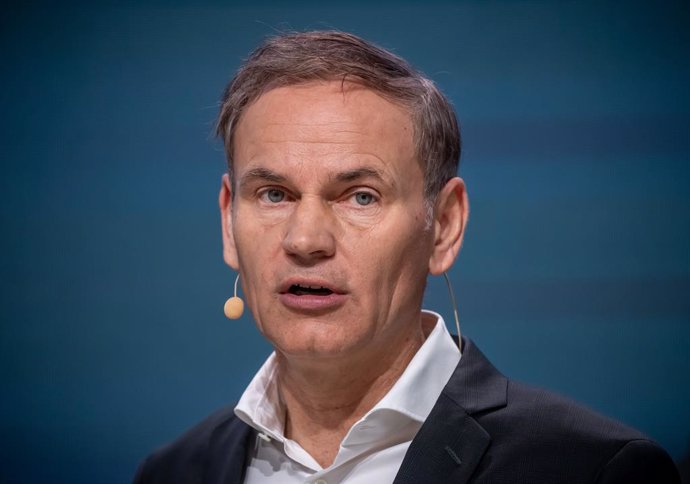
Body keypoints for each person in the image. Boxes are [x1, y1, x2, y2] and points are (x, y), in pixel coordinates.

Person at [134, 31, 680, 484]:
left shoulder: (593, 470)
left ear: (443, 226)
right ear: (229, 220)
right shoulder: (174, 472)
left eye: (360, 196)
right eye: (274, 194)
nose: (305, 240)